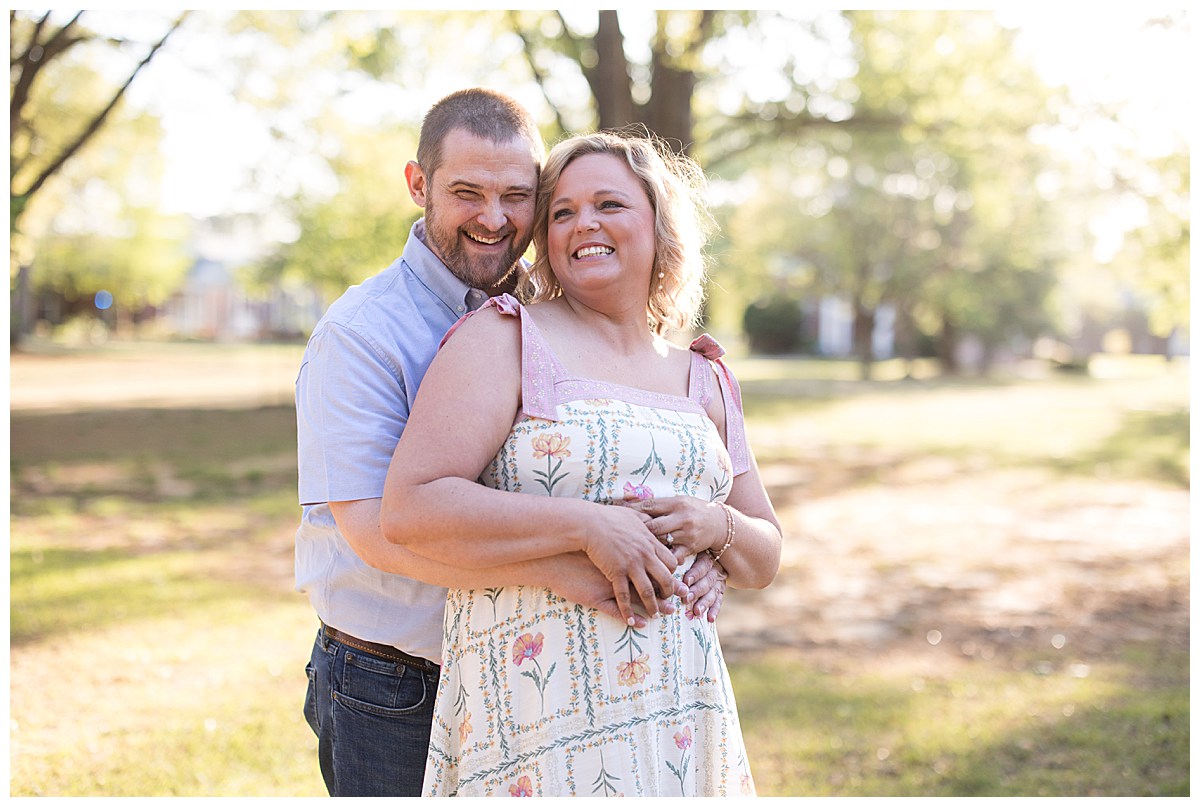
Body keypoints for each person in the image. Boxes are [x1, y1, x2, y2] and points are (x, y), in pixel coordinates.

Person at [294, 91, 728, 797]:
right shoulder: (360, 333)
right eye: (467, 193)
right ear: (418, 185)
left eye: (517, 197)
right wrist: (561, 562)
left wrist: (695, 550)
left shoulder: (553, 313)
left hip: (526, 676)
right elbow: (376, 531)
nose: (494, 218)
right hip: (396, 680)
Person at [380, 130, 783, 796]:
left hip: (681, 715)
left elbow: (764, 556)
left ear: (660, 225)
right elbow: (411, 506)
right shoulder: (506, 337)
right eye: (562, 212)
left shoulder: (704, 376)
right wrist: (589, 526)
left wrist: (717, 528)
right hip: (538, 714)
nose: (583, 223)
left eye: (608, 204)